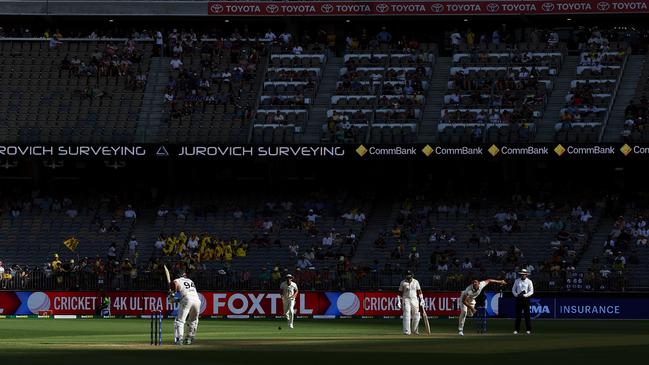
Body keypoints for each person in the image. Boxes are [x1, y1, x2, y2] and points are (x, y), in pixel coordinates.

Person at [169, 269, 201, 345]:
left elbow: (175, 283)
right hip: (197, 300)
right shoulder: (190, 281)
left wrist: (172, 294)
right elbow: (186, 296)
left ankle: (180, 339)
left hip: (187, 298)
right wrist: (176, 300)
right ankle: (189, 338)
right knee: (193, 321)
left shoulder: (178, 280)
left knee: (180, 320)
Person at [398, 270, 423, 335]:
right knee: (406, 314)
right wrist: (398, 301)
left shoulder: (416, 282)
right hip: (406, 299)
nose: (408, 276)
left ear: (412, 275)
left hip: (414, 300)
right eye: (407, 274)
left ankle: (415, 330)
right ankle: (406, 330)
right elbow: (400, 293)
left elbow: (419, 291)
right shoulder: (403, 282)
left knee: (417, 315)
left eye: (409, 274)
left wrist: (422, 299)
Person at [512, 268, 534, 334]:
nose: (523, 275)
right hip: (518, 298)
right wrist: (516, 295)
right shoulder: (517, 281)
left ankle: (528, 330)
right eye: (521, 274)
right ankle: (516, 330)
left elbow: (531, 291)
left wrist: (525, 295)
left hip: (526, 299)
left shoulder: (529, 281)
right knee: (518, 315)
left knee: (527, 315)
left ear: (526, 275)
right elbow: (513, 289)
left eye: (524, 274)